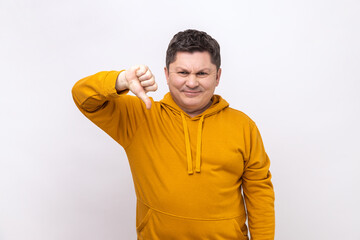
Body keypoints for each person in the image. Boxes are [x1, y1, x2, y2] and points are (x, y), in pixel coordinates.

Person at [72, 29, 275, 240]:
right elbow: (82, 96)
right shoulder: (140, 116)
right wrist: (121, 80)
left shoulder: (243, 126)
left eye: (202, 73)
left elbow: (259, 193)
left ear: (218, 76)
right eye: (183, 73)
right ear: (167, 74)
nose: (192, 83)